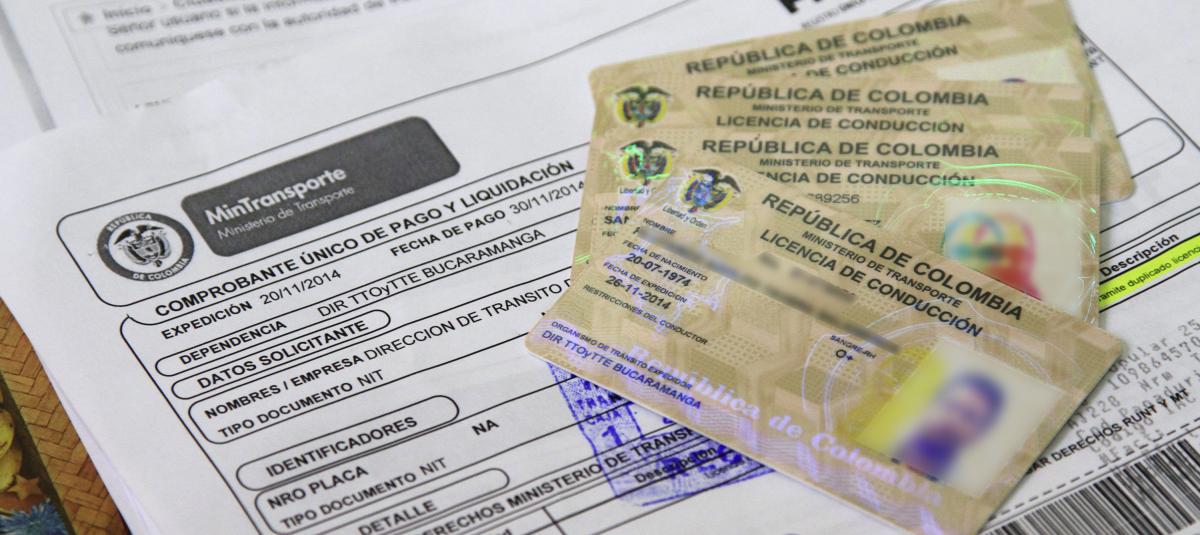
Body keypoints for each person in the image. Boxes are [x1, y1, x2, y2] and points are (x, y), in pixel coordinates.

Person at [894, 372, 1005, 481]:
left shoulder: (959, 484)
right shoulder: (891, 442)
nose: (953, 420)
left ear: (979, 433)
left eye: (969, 416)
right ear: (929, 404)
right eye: (951, 406)